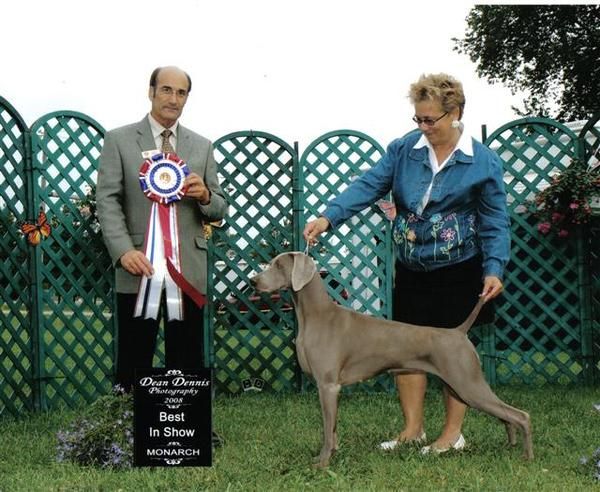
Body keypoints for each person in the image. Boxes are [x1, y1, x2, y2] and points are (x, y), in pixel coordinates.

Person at [303, 73, 510, 454]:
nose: (423, 127)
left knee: (450, 353)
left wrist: (494, 268)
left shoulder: (483, 162)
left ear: (455, 113)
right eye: (418, 118)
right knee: (405, 352)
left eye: (430, 119)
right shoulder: (403, 150)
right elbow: (368, 185)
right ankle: (412, 429)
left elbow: (495, 219)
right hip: (412, 267)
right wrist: (329, 216)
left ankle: (452, 434)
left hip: (459, 267)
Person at [96, 66, 227, 392]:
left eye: (181, 93)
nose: (173, 99)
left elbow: (220, 208)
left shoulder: (203, 146)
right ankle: (126, 420)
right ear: (151, 92)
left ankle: (186, 422)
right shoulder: (118, 140)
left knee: (188, 358)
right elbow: (107, 201)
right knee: (134, 357)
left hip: (188, 271)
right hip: (139, 266)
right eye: (166, 90)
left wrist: (205, 196)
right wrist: (123, 251)